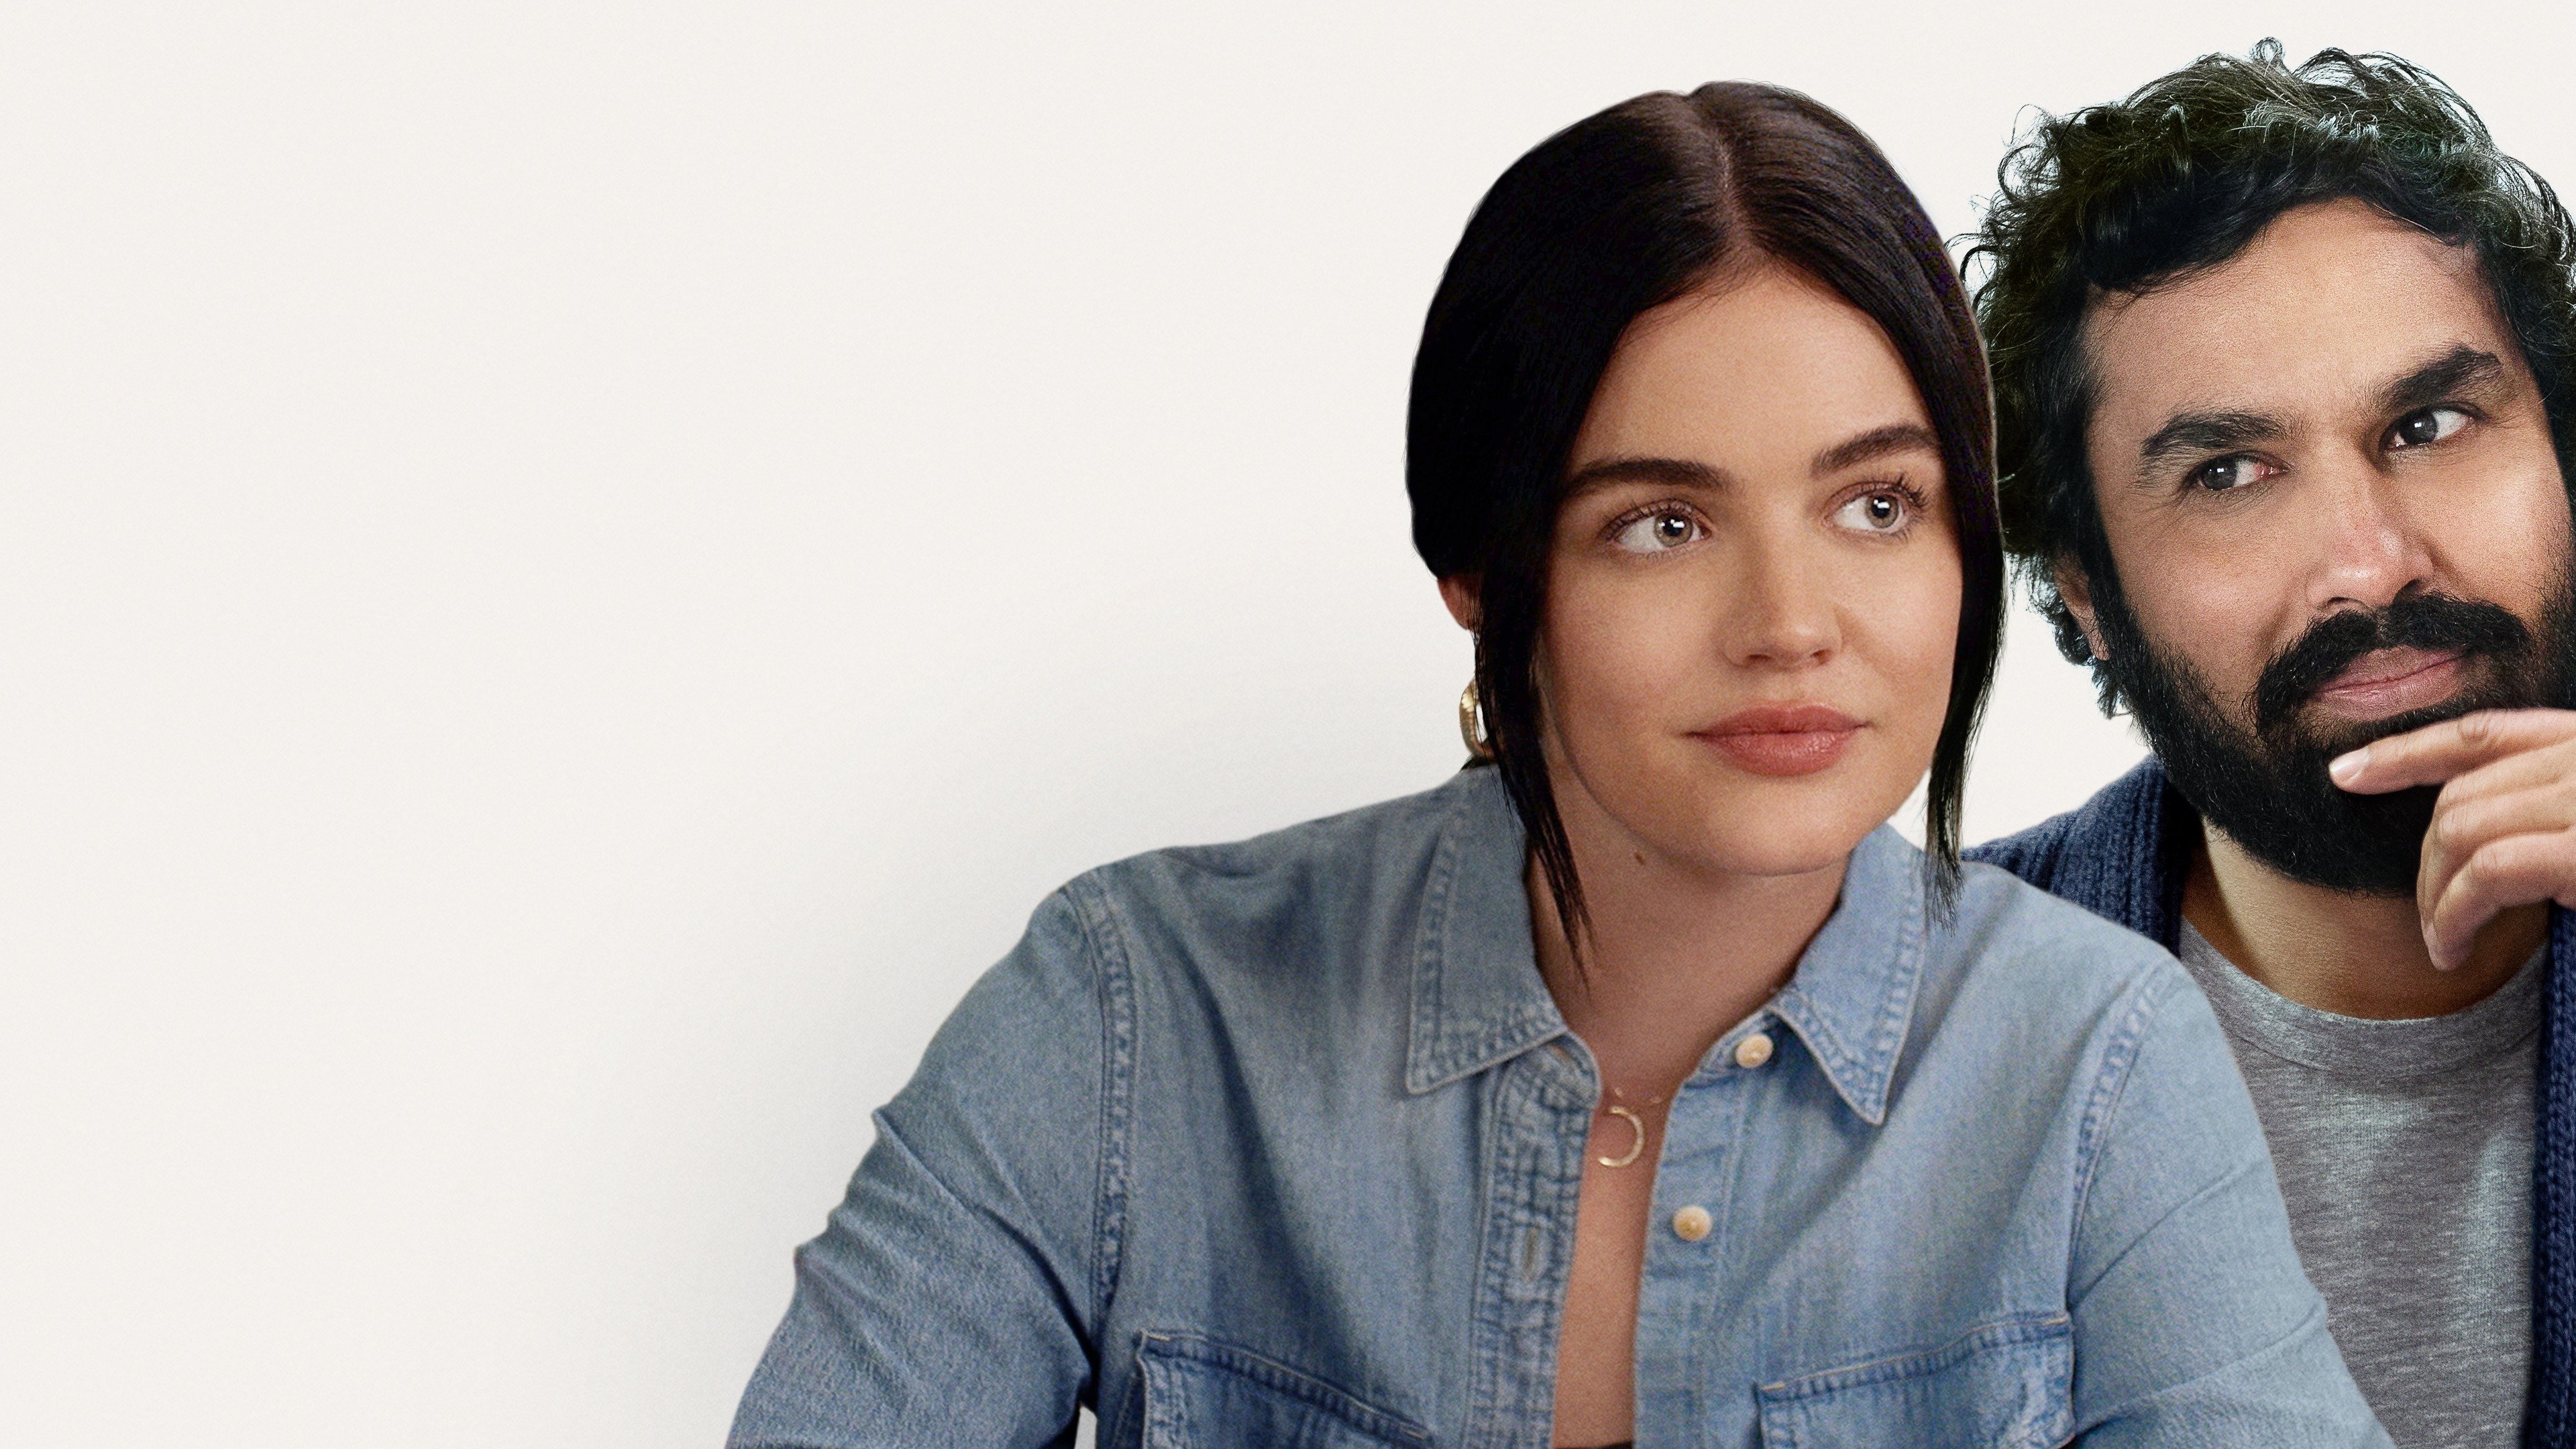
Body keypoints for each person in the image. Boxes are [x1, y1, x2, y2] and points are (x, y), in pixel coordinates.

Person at [729, 83, 2382, 1447]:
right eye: (1662, 524)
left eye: (1878, 505)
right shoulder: (1133, 1012)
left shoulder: (2101, 1066)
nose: (1791, 625)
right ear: (1482, 569)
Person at [1966, 42, 2576, 1448]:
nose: (2370, 565)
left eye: (2429, 424)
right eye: (2229, 473)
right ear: (2086, 592)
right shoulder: (1903, 1037)